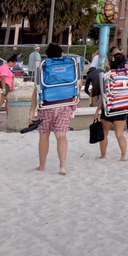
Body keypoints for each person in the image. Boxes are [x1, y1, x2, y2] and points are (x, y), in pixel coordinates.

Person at [29, 43, 77, 175]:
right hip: (65, 104)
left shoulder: (44, 66)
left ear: (47, 54)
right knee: (61, 135)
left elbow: (36, 89)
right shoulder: (69, 65)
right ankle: (62, 166)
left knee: (44, 135)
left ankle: (42, 166)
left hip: (47, 105)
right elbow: (76, 85)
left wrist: (31, 111)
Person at [94, 52, 128, 162]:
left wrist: (97, 110)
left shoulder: (107, 76)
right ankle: (124, 155)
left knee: (104, 134)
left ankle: (103, 155)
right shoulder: (127, 76)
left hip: (109, 109)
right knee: (120, 134)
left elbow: (103, 95)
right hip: (122, 108)